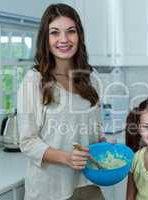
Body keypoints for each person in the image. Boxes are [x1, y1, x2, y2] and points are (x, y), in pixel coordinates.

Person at [17, 3, 105, 200]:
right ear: (45, 39)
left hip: (88, 183)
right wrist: (67, 158)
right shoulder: (34, 80)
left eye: (70, 31)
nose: (64, 39)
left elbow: (94, 128)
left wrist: (103, 143)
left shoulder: (92, 77)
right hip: (49, 189)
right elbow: (27, 141)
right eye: (55, 32)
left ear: (79, 35)